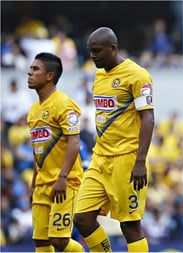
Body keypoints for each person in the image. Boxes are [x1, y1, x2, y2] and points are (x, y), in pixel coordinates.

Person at [73, 27, 154, 252]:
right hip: (100, 159)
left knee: (129, 225)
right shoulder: (98, 75)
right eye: (90, 51)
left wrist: (140, 161)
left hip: (127, 160)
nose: (93, 56)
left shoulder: (137, 75)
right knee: (82, 218)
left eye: (97, 51)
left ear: (113, 48)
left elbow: (148, 118)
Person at [27, 52, 84, 252]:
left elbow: (74, 142)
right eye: (30, 68)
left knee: (59, 241)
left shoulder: (64, 104)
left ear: (49, 76)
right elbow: (38, 152)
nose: (29, 72)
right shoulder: (33, 111)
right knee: (41, 242)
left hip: (64, 183)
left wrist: (63, 177)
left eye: (35, 69)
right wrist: (34, 183)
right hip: (42, 185)